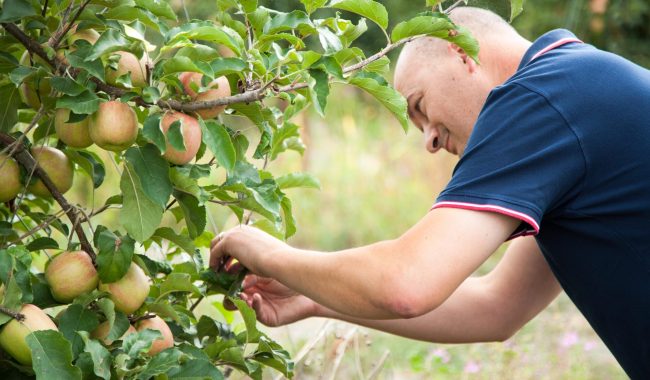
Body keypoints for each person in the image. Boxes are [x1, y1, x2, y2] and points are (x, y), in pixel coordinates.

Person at [210, 7, 650, 379]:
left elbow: (407, 283)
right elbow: (498, 306)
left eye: (420, 106)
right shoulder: (576, 90)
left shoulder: (544, 96)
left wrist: (265, 251)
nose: (430, 142)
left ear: (461, 52)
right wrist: (311, 295)